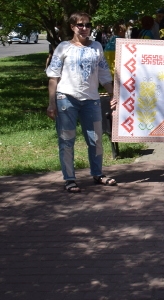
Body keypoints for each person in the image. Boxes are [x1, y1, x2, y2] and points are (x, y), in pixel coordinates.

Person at [46, 12, 117, 192]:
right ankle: (69, 178)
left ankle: (98, 173)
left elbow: (104, 74)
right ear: (72, 27)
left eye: (87, 24)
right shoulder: (63, 47)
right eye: (80, 25)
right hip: (66, 99)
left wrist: (112, 94)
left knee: (96, 139)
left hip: (91, 100)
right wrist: (51, 103)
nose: (84, 28)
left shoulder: (97, 47)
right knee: (66, 140)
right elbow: (53, 77)